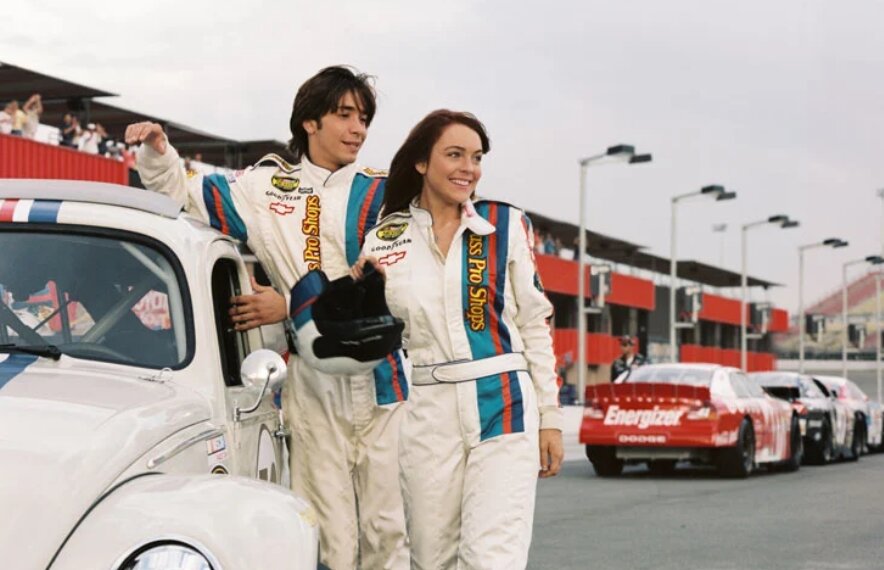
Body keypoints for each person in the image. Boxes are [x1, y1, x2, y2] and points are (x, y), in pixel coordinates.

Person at [124, 66, 408, 570]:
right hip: (311, 383)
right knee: (330, 538)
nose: (358, 130)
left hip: (383, 382)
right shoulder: (263, 187)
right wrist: (158, 149)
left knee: (388, 531)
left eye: (364, 119)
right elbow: (178, 192)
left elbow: (392, 286)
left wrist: (288, 304)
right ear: (310, 122)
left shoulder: (385, 193)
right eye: (345, 115)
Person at [354, 110, 564, 569]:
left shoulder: (505, 224)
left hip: (503, 401)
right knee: (432, 559)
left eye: (477, 157)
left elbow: (535, 323)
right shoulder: (384, 240)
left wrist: (550, 417)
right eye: (454, 155)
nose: (468, 168)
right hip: (427, 412)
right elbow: (371, 333)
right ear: (421, 162)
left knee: (491, 558)